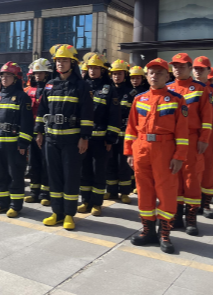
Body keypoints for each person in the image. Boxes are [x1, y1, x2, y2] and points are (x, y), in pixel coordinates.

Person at [125, 58, 188, 254]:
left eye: (160, 72)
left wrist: (179, 156)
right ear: (146, 76)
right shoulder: (139, 99)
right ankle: (148, 231)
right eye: (151, 72)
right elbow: (131, 128)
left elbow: (183, 132)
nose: (155, 75)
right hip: (141, 148)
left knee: (167, 191)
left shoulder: (177, 100)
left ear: (167, 76)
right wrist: (129, 151)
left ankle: (165, 233)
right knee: (144, 190)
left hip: (165, 150)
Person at [37, 44, 94, 231]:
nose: (61, 63)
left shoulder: (81, 86)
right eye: (58, 61)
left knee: (70, 177)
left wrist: (84, 137)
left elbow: (86, 113)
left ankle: (69, 214)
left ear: (73, 63)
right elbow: (42, 110)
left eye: (64, 60)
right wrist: (39, 132)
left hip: (72, 141)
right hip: (51, 140)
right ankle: (57, 212)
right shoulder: (50, 85)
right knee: (54, 177)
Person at [166, 53, 212, 235]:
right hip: (172, 141)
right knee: (174, 177)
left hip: (192, 139)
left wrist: (204, 139)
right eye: (175, 66)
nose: (177, 69)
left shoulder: (201, 89)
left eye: (182, 66)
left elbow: (208, 118)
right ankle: (176, 216)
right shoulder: (167, 87)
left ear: (189, 68)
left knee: (191, 177)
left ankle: (191, 217)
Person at [0, 62, 34, 218]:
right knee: (0, 174)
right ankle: (1, 202)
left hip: (15, 145)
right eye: (2, 76)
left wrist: (23, 143)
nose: (4, 79)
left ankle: (15, 205)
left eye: (8, 76)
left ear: (16, 78)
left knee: (15, 175)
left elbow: (27, 123)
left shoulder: (22, 98)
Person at [79, 54, 121, 216]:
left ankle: (96, 203)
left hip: (101, 140)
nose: (93, 71)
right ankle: (85, 201)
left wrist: (110, 138)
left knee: (99, 171)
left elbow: (114, 115)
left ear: (102, 70)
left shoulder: (109, 89)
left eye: (96, 68)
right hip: (84, 139)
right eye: (90, 68)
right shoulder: (82, 87)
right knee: (85, 171)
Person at [192, 58, 213, 220]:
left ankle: (205, 204)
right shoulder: (188, 89)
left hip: (211, 137)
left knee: (209, 169)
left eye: (201, 69)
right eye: (195, 69)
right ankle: (191, 204)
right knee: (191, 170)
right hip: (191, 136)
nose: (198, 72)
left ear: (208, 71)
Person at [105, 59, 135, 203]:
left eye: (120, 74)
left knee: (123, 164)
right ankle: (111, 191)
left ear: (125, 75)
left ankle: (124, 192)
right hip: (110, 133)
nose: (117, 76)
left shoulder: (131, 93)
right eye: (114, 74)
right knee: (110, 162)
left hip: (124, 134)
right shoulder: (107, 90)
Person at [24, 58, 53, 206]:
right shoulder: (29, 90)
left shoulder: (51, 89)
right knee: (33, 163)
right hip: (32, 131)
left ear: (47, 73)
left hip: (46, 132)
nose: (37, 76)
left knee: (46, 163)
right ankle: (34, 192)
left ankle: (45, 193)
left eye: (41, 73)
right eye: (36, 73)